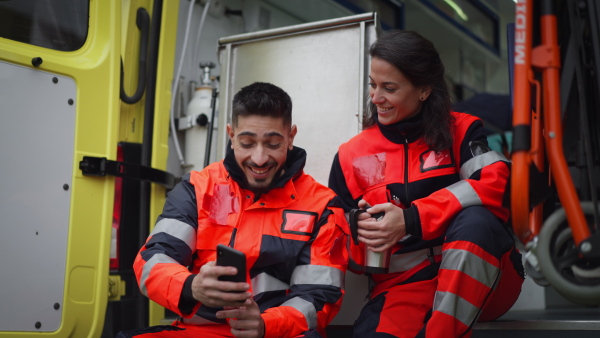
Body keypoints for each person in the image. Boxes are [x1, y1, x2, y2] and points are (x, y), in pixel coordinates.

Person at [328, 30, 524, 337]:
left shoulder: (462, 129)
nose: (375, 97)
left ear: (423, 90)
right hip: (402, 286)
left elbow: (496, 184)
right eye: (372, 84)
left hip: (485, 279)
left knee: (476, 220)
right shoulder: (350, 155)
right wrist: (360, 231)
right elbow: (334, 244)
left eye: (389, 88)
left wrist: (409, 220)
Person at [117, 82, 349, 338]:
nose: (259, 159)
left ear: (291, 136)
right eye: (247, 143)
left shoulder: (323, 206)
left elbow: (318, 296)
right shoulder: (197, 188)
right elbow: (153, 260)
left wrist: (264, 325)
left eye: (272, 144)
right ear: (230, 135)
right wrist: (191, 286)